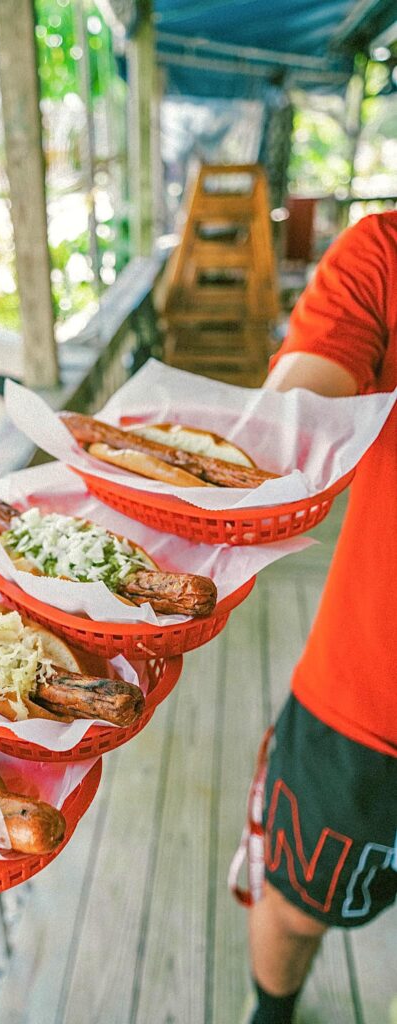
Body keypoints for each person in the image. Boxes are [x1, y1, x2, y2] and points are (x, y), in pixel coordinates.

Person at [247, 211, 397, 1024]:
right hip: (370, 699)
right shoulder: (385, 254)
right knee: (296, 905)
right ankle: (271, 1014)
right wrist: (276, 438)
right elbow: (300, 404)